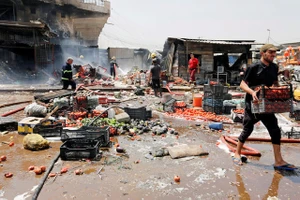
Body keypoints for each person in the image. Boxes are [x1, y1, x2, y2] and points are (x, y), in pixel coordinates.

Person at [233, 44, 297, 170]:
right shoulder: (253, 67)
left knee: (275, 130)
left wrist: (279, 90)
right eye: (270, 52)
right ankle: (237, 153)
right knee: (248, 129)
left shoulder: (274, 67)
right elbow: (242, 84)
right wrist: (252, 92)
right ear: (263, 53)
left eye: (274, 53)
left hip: (267, 104)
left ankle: (278, 160)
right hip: (253, 104)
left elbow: (274, 83)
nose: (273, 55)